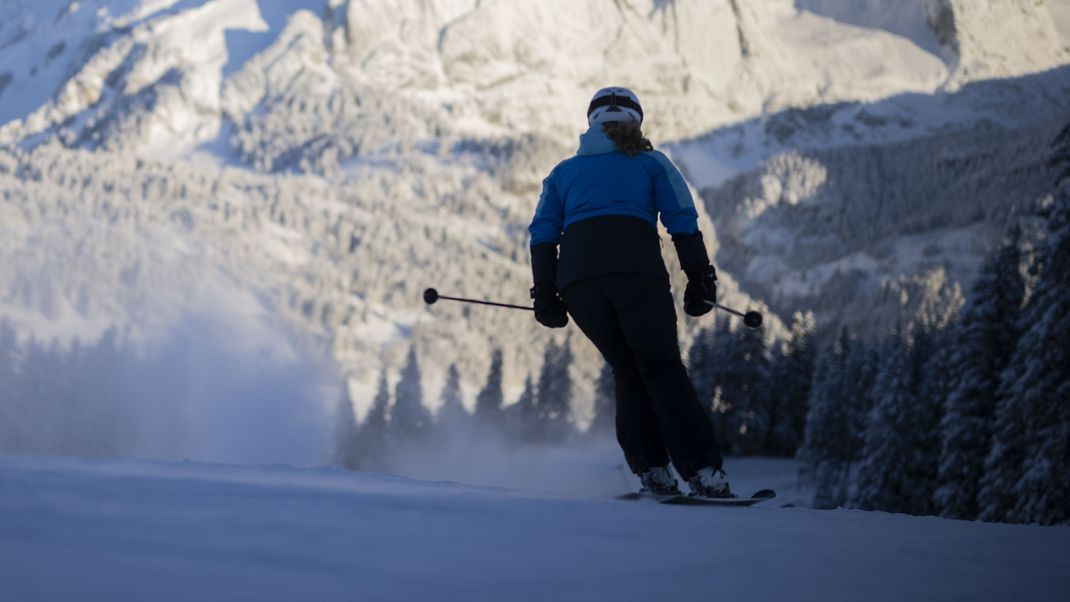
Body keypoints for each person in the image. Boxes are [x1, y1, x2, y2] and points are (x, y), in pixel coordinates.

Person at [527, 87, 732, 498]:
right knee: (661, 369)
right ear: (637, 121)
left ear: (591, 123)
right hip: (636, 275)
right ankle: (703, 473)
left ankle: (652, 471)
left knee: (628, 370)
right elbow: (683, 222)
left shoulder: (563, 172)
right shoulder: (652, 162)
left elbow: (543, 234)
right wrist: (700, 280)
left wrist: (546, 294)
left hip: (578, 283)